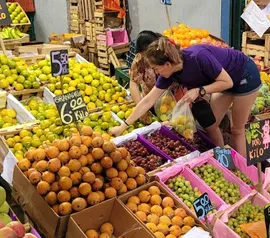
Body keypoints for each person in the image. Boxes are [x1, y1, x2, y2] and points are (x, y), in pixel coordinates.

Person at [111, 37, 261, 157]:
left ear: (167, 64)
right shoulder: (169, 74)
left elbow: (227, 82)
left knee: (237, 129)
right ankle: (224, 159)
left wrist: (199, 90)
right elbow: (148, 100)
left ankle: (243, 172)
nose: (156, 73)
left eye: (156, 69)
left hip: (244, 75)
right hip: (223, 82)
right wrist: (123, 126)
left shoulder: (198, 57)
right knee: (210, 125)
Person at [128, 31, 161, 104]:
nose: (147, 59)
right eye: (144, 55)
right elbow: (133, 82)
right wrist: (139, 104)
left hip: (168, 100)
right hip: (149, 101)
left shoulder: (165, 54)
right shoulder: (140, 58)